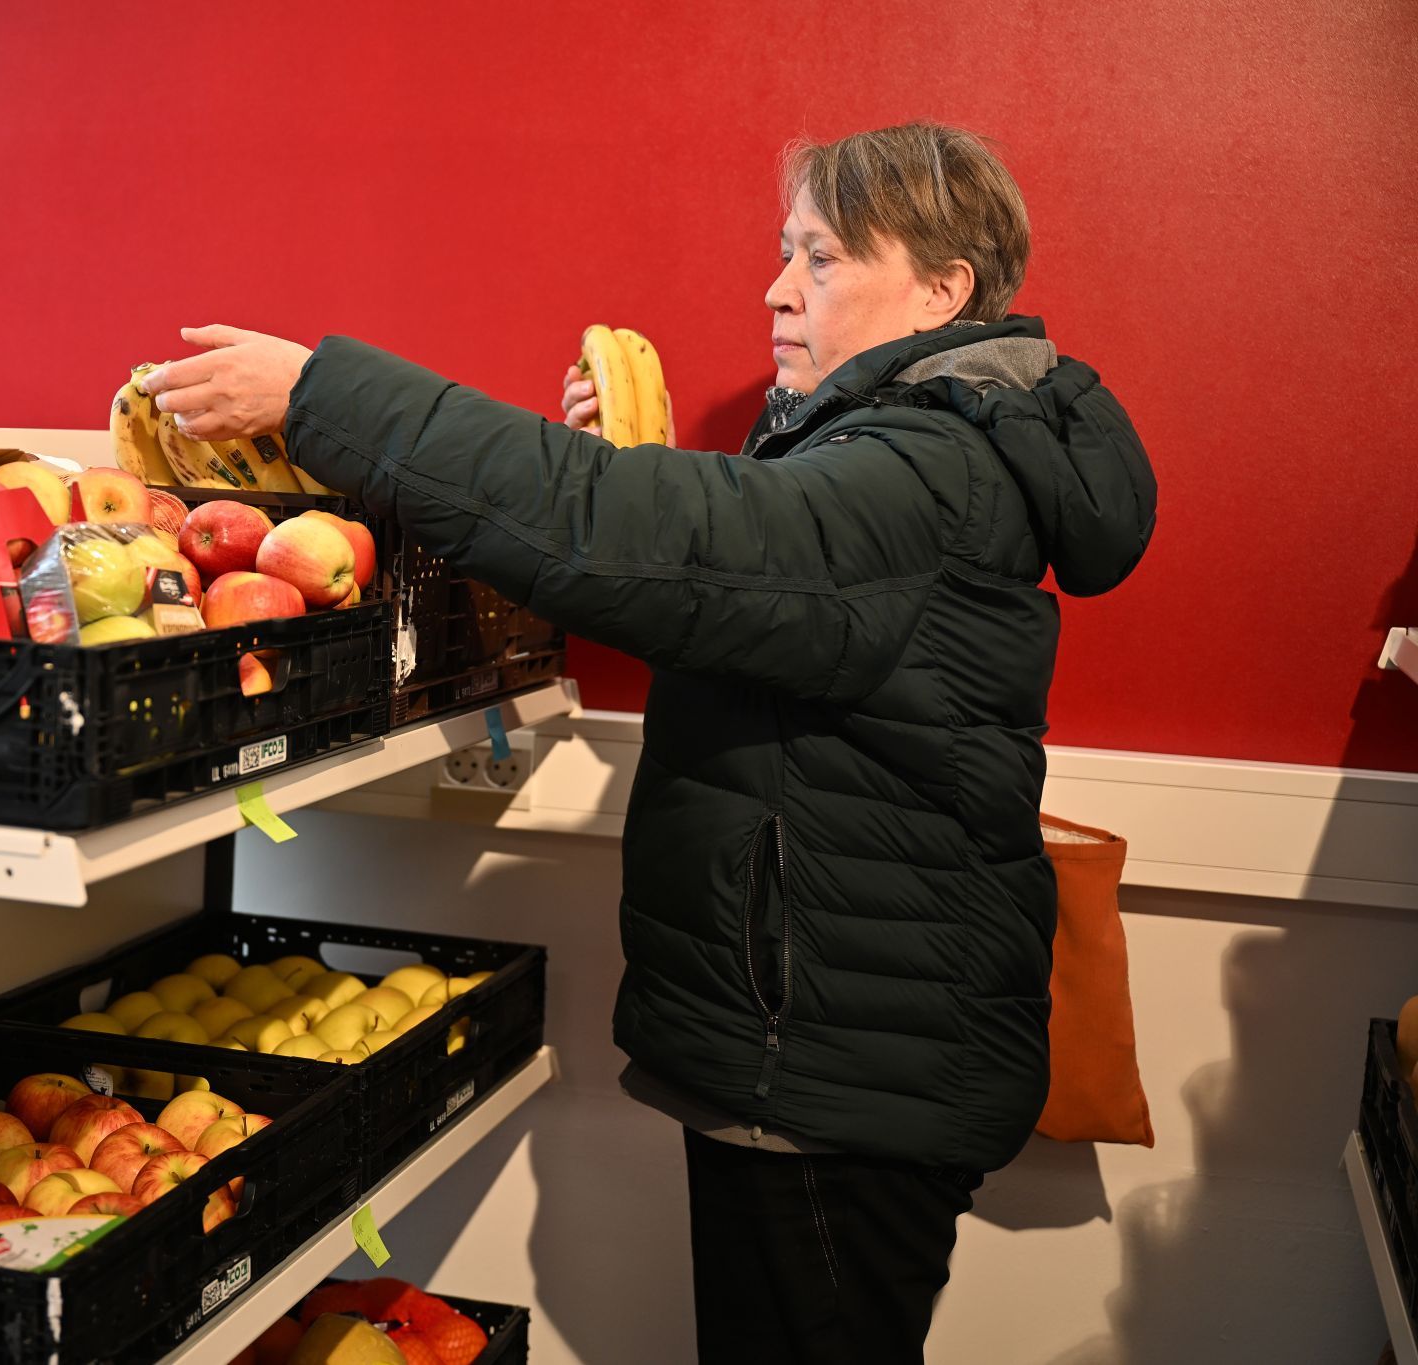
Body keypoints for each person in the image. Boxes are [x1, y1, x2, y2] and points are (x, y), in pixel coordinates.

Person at [143, 122, 1157, 1364]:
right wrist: (634, 470)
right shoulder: (904, 451)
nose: (777, 288)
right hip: (835, 1045)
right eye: (785, 252)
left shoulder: (924, 470)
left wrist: (320, 397)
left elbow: (647, 538)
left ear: (941, 290)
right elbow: (733, 588)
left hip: (833, 1071)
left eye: (822, 259)